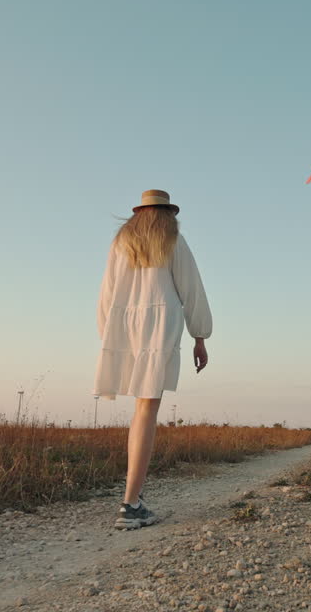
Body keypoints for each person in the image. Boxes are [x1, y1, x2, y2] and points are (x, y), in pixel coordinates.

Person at [95, 189, 212, 530]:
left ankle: (134, 499)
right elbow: (192, 288)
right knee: (147, 410)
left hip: (123, 324)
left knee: (140, 411)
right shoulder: (172, 238)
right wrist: (200, 336)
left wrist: (108, 335)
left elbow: (107, 290)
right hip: (159, 324)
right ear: (167, 213)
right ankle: (131, 505)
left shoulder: (122, 241)